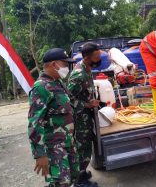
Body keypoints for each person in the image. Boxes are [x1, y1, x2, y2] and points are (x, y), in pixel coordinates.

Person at [28, 48, 79, 187]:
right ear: (53, 64)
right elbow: (34, 123)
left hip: (67, 142)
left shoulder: (57, 82)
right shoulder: (41, 87)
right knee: (60, 182)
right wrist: (40, 154)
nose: (67, 68)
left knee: (72, 178)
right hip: (53, 147)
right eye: (65, 64)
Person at [68, 43, 101, 187]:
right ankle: (78, 181)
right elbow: (68, 99)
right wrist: (87, 105)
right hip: (80, 118)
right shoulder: (78, 74)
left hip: (87, 116)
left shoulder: (88, 69)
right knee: (81, 148)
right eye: (97, 55)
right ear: (88, 57)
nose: (99, 57)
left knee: (87, 147)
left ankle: (82, 173)